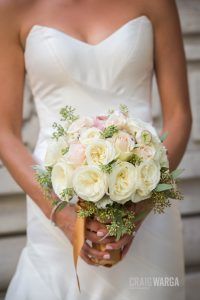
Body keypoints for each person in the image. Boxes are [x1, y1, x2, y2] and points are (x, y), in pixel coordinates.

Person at [0, 0, 192, 299]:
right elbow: (4, 131)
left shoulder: (157, 3)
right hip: (55, 197)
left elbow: (180, 115)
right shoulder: (12, 7)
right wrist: (60, 212)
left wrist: (141, 207)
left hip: (147, 195)